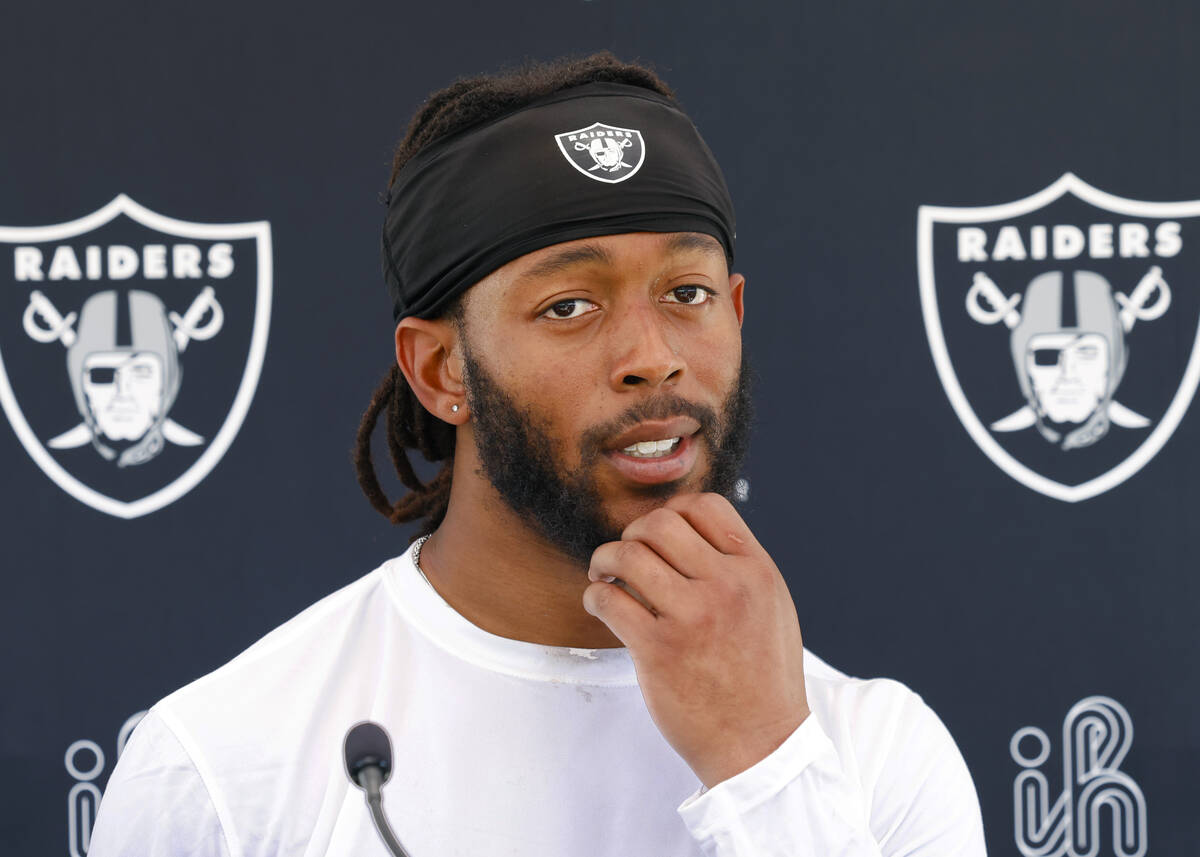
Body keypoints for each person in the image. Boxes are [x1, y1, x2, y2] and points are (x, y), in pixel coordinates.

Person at [88, 53, 987, 856]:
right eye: (569, 306)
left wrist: (763, 764)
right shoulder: (222, 766)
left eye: (686, 291)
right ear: (443, 370)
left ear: (737, 314)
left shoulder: (877, 752)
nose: (653, 356)